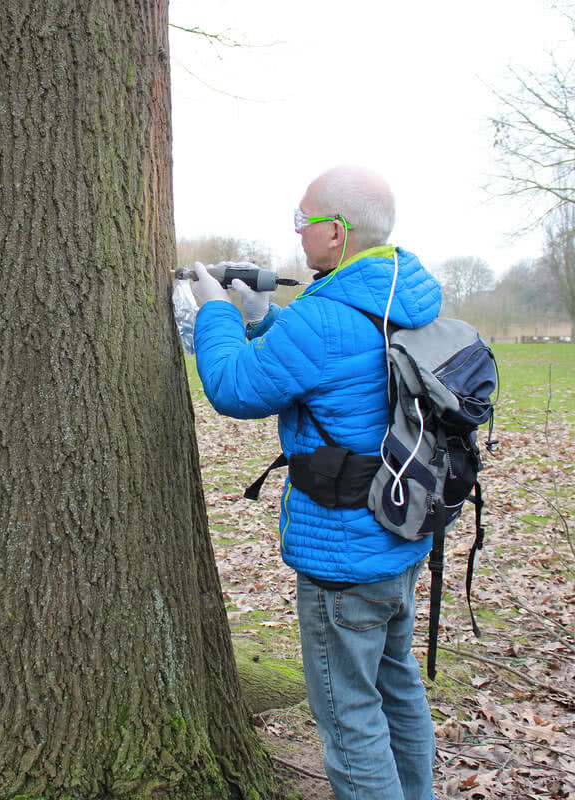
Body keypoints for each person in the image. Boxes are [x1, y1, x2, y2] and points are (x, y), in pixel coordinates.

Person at [190, 165, 439, 800]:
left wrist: (215, 314)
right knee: (396, 687)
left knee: (349, 714)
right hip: (401, 533)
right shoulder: (401, 293)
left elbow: (234, 387)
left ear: (335, 232)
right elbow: (345, 365)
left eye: (302, 221)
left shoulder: (325, 315)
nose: (297, 233)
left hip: (343, 554)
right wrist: (265, 316)